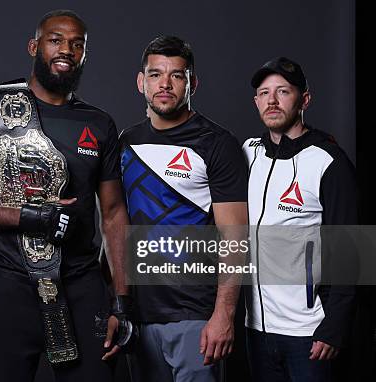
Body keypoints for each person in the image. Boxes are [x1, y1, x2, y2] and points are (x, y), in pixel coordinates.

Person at [0, 9, 130, 382]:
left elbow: (113, 214)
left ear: (84, 55)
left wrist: (121, 301)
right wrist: (28, 217)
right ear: (34, 46)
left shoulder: (98, 124)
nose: (66, 49)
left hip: (81, 283)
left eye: (76, 44)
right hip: (9, 283)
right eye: (55, 40)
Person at [119, 36, 248, 382]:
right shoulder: (126, 143)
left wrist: (224, 314)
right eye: (155, 74)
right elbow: (113, 227)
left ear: (193, 82)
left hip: (196, 316)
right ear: (140, 81)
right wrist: (117, 305)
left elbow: (236, 236)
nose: (165, 84)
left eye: (177, 75)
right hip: (140, 316)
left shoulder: (217, 144)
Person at [242, 57, 357, 381]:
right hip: (257, 328)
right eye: (264, 94)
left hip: (309, 332)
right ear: (256, 102)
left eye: (283, 92)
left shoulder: (328, 162)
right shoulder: (247, 153)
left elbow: (349, 251)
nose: (272, 101)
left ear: (304, 99)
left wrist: (334, 326)